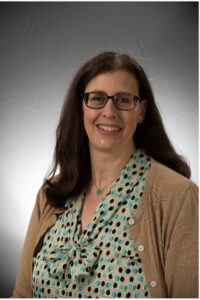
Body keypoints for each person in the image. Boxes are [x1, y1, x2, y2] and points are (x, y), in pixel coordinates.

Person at [12, 52, 198, 298]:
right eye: (97, 98)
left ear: (141, 111)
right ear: (81, 108)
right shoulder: (50, 196)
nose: (109, 112)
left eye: (123, 100)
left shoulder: (177, 197)